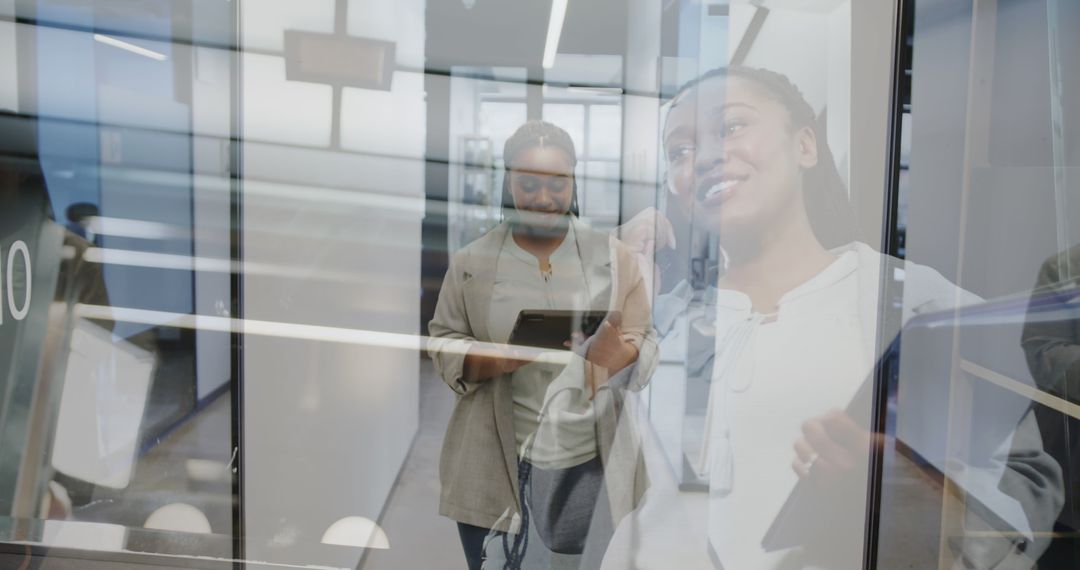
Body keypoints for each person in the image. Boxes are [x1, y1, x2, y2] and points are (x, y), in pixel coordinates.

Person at [607, 66, 1062, 569]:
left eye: (732, 126)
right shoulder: (661, 321)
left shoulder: (919, 304)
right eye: (679, 152)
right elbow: (575, 496)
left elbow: (1023, 489)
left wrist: (904, 491)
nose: (707, 157)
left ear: (805, 146)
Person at [428, 120, 657, 569]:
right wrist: (498, 359)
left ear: (574, 181)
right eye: (527, 183)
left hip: (588, 460)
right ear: (508, 180)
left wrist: (618, 357)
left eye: (558, 183)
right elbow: (443, 342)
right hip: (495, 461)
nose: (543, 198)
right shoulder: (472, 262)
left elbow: (644, 343)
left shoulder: (615, 257)